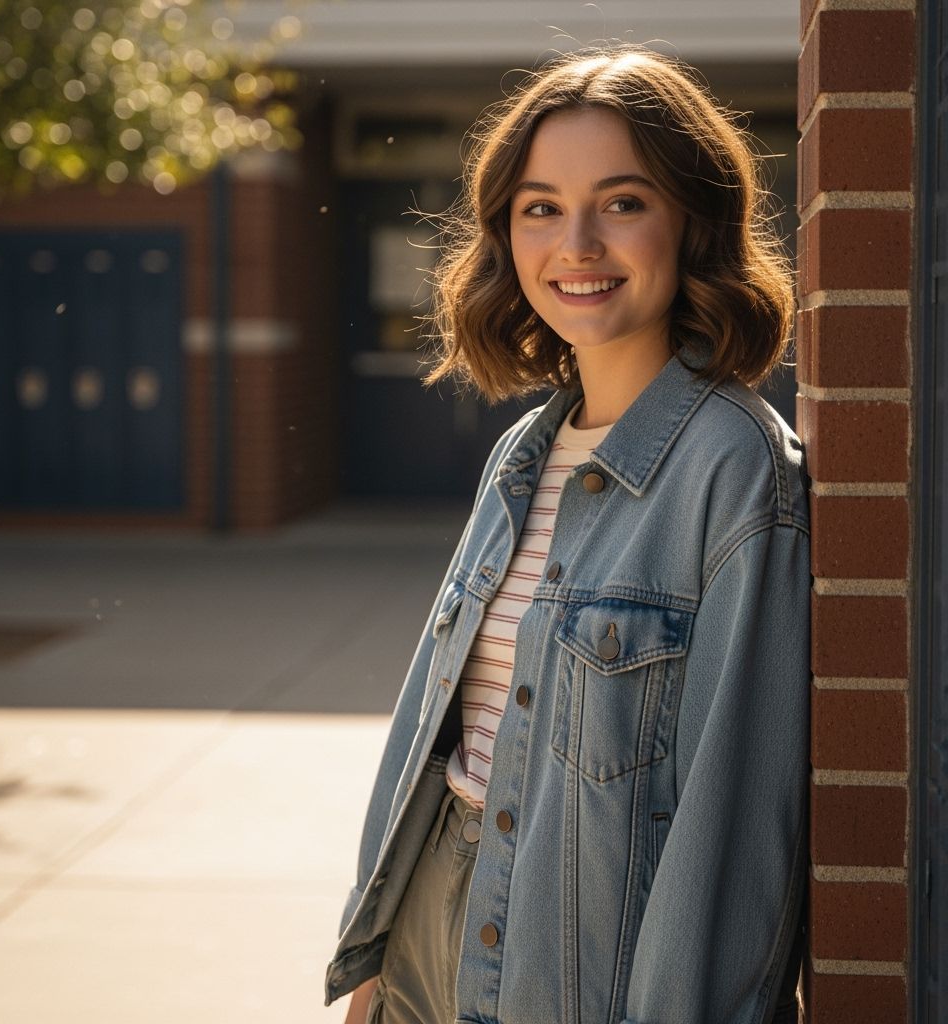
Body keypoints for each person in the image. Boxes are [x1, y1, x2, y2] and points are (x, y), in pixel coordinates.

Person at [327, 45, 809, 1024]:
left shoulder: (735, 470)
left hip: (577, 976)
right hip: (426, 945)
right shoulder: (523, 451)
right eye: (541, 207)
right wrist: (374, 966)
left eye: (622, 202)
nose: (577, 243)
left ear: (692, 220)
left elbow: (729, 833)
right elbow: (433, 732)